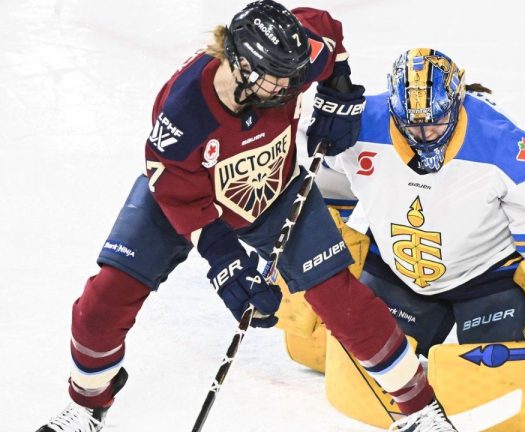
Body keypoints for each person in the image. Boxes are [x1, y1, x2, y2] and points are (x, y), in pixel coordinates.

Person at [37, 5, 454, 432]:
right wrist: (225, 262)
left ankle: (420, 409)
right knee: (105, 300)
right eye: (276, 78)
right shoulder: (182, 112)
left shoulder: (289, 58)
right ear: (238, 64)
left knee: (340, 298)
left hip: (276, 190)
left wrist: (338, 87)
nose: (289, 86)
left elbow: (328, 34)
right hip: (187, 198)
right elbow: (180, 196)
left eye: (295, 75)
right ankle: (88, 404)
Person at [321, 48, 525, 429]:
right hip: (398, 273)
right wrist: (324, 239)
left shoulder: (499, 141)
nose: (424, 136)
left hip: (488, 281)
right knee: (363, 364)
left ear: (459, 102)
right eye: (413, 125)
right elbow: (317, 168)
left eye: (436, 125)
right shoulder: (359, 123)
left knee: (495, 376)